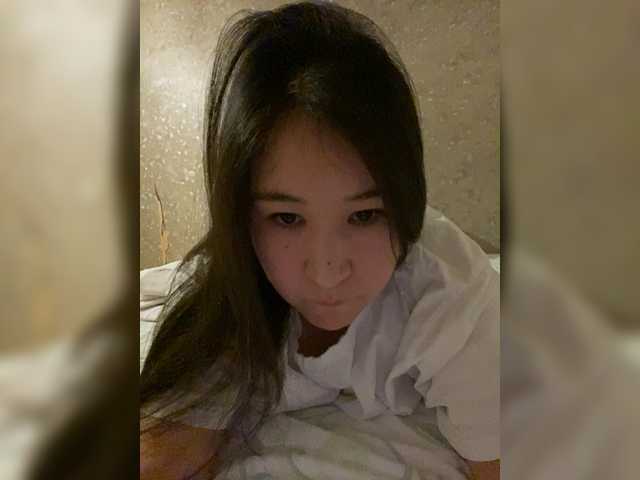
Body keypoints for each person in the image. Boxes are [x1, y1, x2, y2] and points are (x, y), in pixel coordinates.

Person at [140, 2, 499, 479]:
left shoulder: (451, 296)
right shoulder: (227, 296)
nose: (328, 272)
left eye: (365, 215)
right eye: (287, 218)